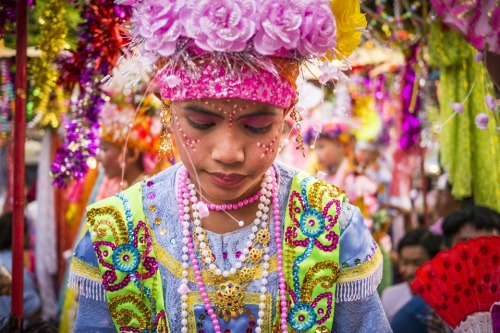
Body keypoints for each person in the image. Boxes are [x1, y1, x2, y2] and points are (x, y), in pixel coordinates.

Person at [70, 1, 391, 332]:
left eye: (256, 128)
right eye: (202, 123)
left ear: (285, 121)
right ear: (170, 116)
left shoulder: (329, 223)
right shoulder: (116, 230)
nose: (229, 153)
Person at [381, 228, 443, 323]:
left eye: (417, 263)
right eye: (404, 262)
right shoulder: (389, 296)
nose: (409, 271)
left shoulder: (446, 300)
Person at [0, 213, 41, 320]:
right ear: (18, 236)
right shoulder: (18, 271)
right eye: (27, 232)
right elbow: (33, 310)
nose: (29, 236)